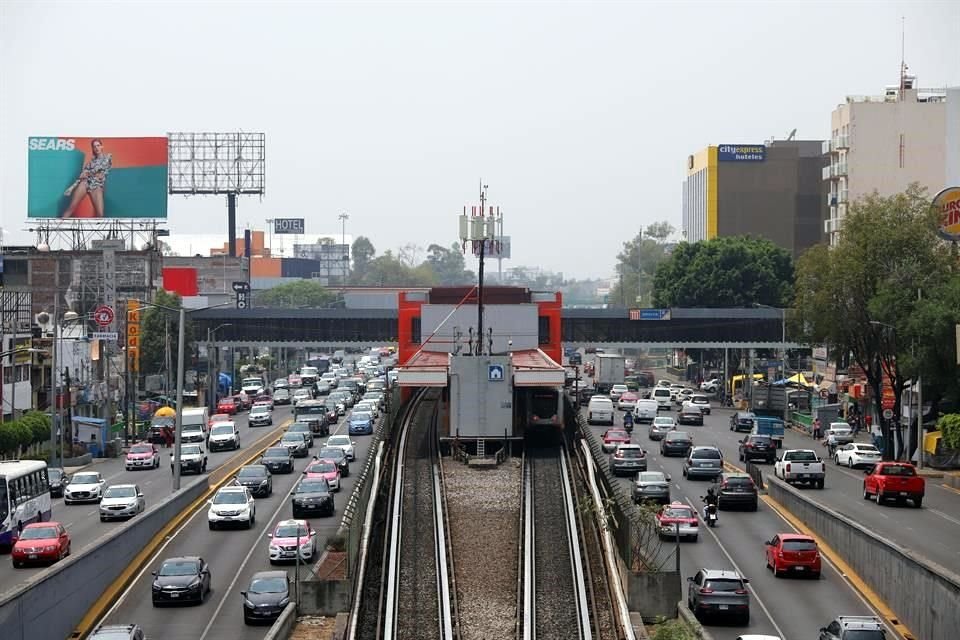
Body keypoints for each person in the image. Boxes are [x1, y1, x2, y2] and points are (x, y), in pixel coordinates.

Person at [61, 139, 112, 218]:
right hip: (85, 183)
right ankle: (58, 227)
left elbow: (102, 167)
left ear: (102, 146)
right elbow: (81, 178)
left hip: (96, 186)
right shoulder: (90, 163)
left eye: (98, 145)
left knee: (100, 214)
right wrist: (71, 188)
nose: (96, 148)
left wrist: (88, 173)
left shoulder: (108, 157)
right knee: (71, 207)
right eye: (94, 146)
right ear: (93, 149)